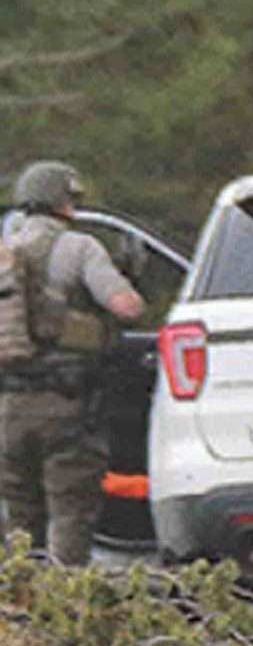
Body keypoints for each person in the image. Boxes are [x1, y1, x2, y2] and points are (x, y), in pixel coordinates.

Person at [0, 162, 144, 566]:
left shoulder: (5, 251)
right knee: (70, 513)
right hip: (67, 405)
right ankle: (65, 597)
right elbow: (127, 307)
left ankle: (21, 598)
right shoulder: (80, 247)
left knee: (19, 520)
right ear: (62, 201)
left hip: (9, 408)